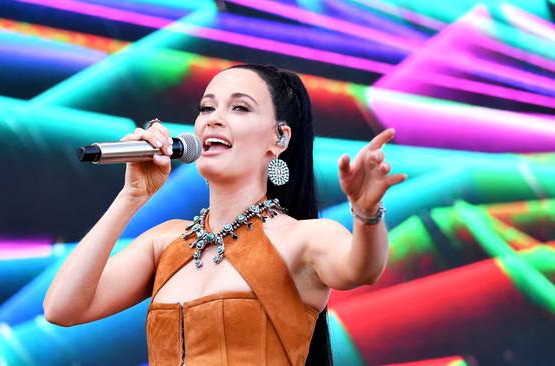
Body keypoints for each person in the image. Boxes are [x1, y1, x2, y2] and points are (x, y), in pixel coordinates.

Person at [43, 64, 406, 365]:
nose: (214, 120)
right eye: (206, 108)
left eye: (240, 108)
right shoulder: (165, 241)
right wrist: (131, 196)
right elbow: (62, 308)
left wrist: (366, 211)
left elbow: (363, 268)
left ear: (279, 139)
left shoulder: (303, 238)